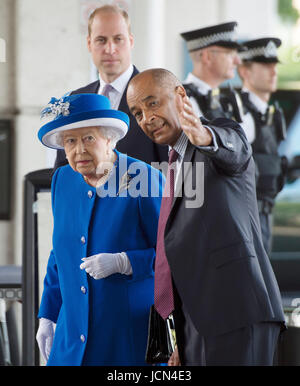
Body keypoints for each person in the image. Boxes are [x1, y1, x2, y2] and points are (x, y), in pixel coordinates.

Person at [126, 68, 285, 366]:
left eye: (152, 103)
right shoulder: (173, 164)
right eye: (137, 113)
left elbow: (234, 149)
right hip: (200, 325)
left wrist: (203, 135)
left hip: (237, 313)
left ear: (180, 96)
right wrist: (183, 338)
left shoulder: (219, 137)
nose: (146, 118)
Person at [35, 93, 164, 366]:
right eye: (70, 141)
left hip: (127, 341)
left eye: (88, 138)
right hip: (70, 342)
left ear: (110, 139)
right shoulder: (63, 179)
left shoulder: (143, 179)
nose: (79, 150)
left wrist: (125, 262)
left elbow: (174, 255)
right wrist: (47, 314)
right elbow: (61, 253)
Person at [54, 4, 168, 172]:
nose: (110, 49)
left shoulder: (157, 97)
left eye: (118, 39)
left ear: (130, 41)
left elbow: (171, 170)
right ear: (89, 43)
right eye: (101, 40)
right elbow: (62, 173)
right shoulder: (74, 100)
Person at [238, 38, 288, 254]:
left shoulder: (270, 113)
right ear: (245, 72)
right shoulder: (241, 115)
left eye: (274, 66)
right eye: (266, 67)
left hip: (264, 213)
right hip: (247, 217)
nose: (273, 72)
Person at [180, 22, 243, 122]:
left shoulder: (223, 101)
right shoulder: (183, 101)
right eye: (230, 54)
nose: (237, 61)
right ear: (207, 56)